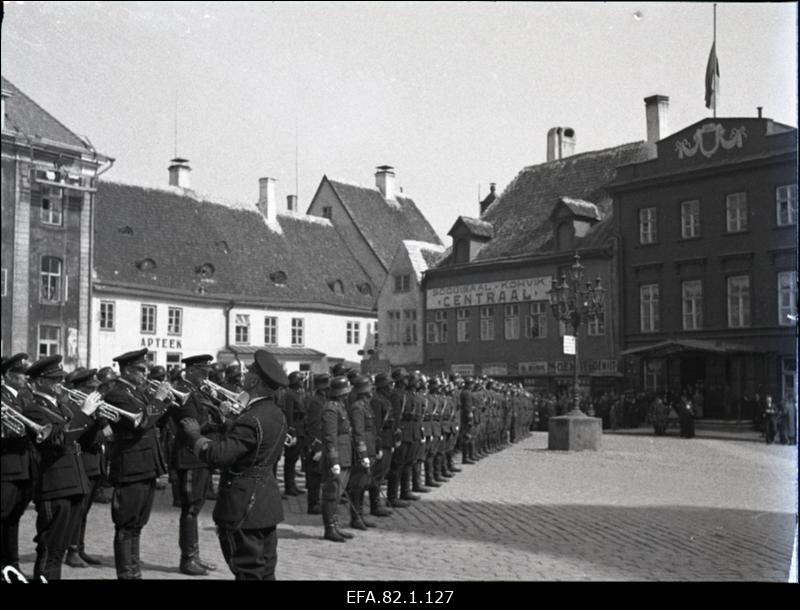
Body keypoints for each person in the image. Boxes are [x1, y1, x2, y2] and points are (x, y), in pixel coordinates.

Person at [179, 349, 289, 580]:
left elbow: (218, 455)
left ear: (255, 380)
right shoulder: (274, 413)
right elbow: (254, 444)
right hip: (266, 502)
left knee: (246, 570)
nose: (244, 375)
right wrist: (230, 423)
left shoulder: (251, 418)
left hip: (243, 505)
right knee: (265, 571)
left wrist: (195, 436)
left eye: (249, 372)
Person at [24, 355, 102, 581]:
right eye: (54, 379)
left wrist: (94, 418)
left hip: (75, 482)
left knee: (61, 547)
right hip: (54, 485)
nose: (59, 383)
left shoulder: (64, 406)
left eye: (60, 378)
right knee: (50, 548)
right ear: (39, 382)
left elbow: (83, 442)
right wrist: (83, 414)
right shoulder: (34, 410)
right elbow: (58, 440)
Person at [102, 348, 172, 579]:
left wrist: (164, 402)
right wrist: (159, 399)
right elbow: (141, 424)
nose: (146, 374)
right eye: (142, 370)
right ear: (128, 370)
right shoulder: (116, 394)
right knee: (126, 524)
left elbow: (154, 421)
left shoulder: (137, 391)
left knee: (138, 524)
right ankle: (126, 573)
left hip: (145, 464)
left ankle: (135, 571)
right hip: (130, 466)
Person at [169, 354, 222, 576]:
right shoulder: (182, 392)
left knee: (197, 507)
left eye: (207, 372)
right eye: (202, 372)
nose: (205, 376)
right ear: (189, 370)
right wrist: (217, 416)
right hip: (188, 456)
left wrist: (219, 407)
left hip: (200, 457)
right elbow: (191, 426)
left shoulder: (198, 390)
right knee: (190, 509)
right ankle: (187, 559)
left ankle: (195, 555)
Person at [62, 367, 107, 567]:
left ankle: (79, 547)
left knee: (85, 510)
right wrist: (93, 420)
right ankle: (71, 550)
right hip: (83, 462)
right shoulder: (72, 407)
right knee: (77, 510)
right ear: (80, 388)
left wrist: (99, 417)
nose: (95, 392)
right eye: (90, 388)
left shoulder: (90, 406)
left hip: (94, 462)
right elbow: (79, 436)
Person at [1, 353, 37, 574]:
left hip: (25, 465)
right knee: (3, 516)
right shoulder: (3, 397)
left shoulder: (26, 396)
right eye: (20, 373)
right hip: (7, 466)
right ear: (7, 375)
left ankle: (12, 564)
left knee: (14, 518)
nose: (25, 377)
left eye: (25, 373)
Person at [320, 375, 354, 542]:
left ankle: (336, 525)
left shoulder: (340, 407)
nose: (347, 395)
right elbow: (330, 436)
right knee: (331, 494)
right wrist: (334, 460)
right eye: (345, 392)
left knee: (338, 494)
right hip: (336, 456)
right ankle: (330, 528)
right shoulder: (331, 409)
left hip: (344, 454)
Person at [346, 375, 377, 530]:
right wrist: (363, 453)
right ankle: (355, 517)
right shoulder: (357, 407)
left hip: (370, 447)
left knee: (364, 484)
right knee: (357, 485)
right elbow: (358, 432)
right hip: (362, 450)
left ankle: (361, 515)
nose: (371, 391)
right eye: (369, 389)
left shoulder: (365, 405)